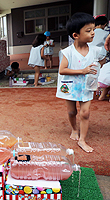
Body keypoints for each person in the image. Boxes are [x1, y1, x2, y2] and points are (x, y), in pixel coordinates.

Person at [56, 12, 105, 153]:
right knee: (72, 112)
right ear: (75, 35)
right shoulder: (67, 52)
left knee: (85, 113)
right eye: (88, 30)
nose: (93, 33)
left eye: (94, 30)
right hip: (71, 87)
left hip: (87, 87)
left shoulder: (96, 50)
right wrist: (82, 71)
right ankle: (74, 129)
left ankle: (82, 140)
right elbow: (62, 70)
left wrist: (98, 65)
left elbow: (100, 62)